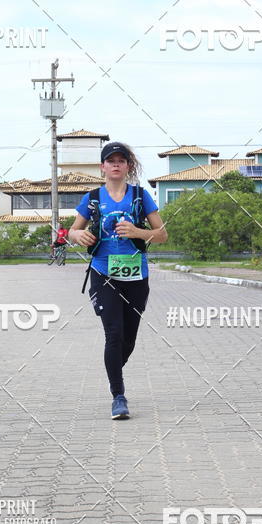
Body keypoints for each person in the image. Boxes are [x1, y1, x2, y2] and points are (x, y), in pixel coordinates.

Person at [69, 141, 168, 420]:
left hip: (136, 276)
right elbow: (72, 232)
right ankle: (118, 396)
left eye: (121, 160)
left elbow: (162, 235)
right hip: (103, 274)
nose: (115, 164)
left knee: (128, 340)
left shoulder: (140, 195)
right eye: (110, 160)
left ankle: (113, 368)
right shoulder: (92, 198)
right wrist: (79, 236)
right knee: (113, 333)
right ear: (102, 167)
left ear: (128, 166)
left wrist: (137, 230)